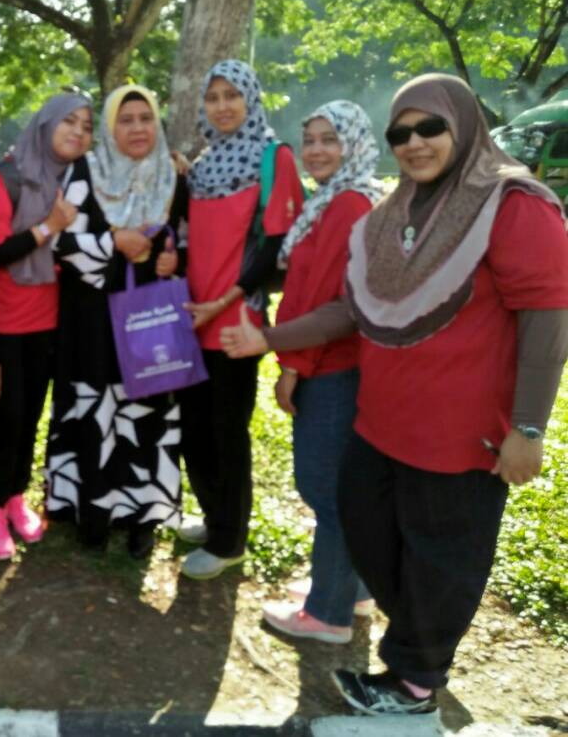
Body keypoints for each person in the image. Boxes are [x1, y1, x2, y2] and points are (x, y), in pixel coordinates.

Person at [220, 73, 568, 716]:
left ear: (465, 127)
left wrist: (528, 428)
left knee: (442, 559)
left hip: (459, 436)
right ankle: (413, 647)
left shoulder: (513, 204)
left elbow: (546, 316)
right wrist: (268, 339)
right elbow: (351, 309)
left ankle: (414, 683)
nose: (413, 143)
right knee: (366, 527)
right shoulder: (393, 215)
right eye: (400, 133)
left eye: (430, 127)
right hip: (380, 424)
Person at [177, 59, 304, 580]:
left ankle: (230, 541)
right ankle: (215, 518)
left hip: (236, 320)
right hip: (191, 321)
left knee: (227, 433)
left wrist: (223, 300)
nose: (222, 106)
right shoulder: (203, 164)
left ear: (251, 99)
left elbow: (274, 244)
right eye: (213, 97)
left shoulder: (273, 157)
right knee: (194, 430)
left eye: (232, 95)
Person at [45, 84, 184, 558]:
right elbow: (61, 243)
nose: (137, 128)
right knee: (97, 407)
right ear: (110, 128)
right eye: (126, 120)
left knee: (147, 406)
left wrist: (175, 260)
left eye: (146, 118)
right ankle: (92, 511)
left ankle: (144, 514)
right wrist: (113, 242)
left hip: (151, 313)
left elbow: (186, 240)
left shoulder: (173, 176)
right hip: (93, 319)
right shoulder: (84, 172)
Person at [259, 101, 380, 644]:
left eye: (330, 139)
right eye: (309, 139)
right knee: (337, 488)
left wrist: (294, 366)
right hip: (330, 363)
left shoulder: (349, 203)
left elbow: (329, 296)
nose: (315, 150)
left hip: (331, 366)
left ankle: (327, 614)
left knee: (325, 490)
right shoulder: (333, 198)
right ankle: (351, 591)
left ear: (353, 143)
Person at [0, 94, 82, 559]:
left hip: (51, 322)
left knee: (32, 416)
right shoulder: (7, 178)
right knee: (7, 417)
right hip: (6, 322)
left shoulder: (78, 178)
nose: (77, 132)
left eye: (86, 125)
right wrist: (48, 227)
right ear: (45, 125)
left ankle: (16, 497)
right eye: (68, 121)